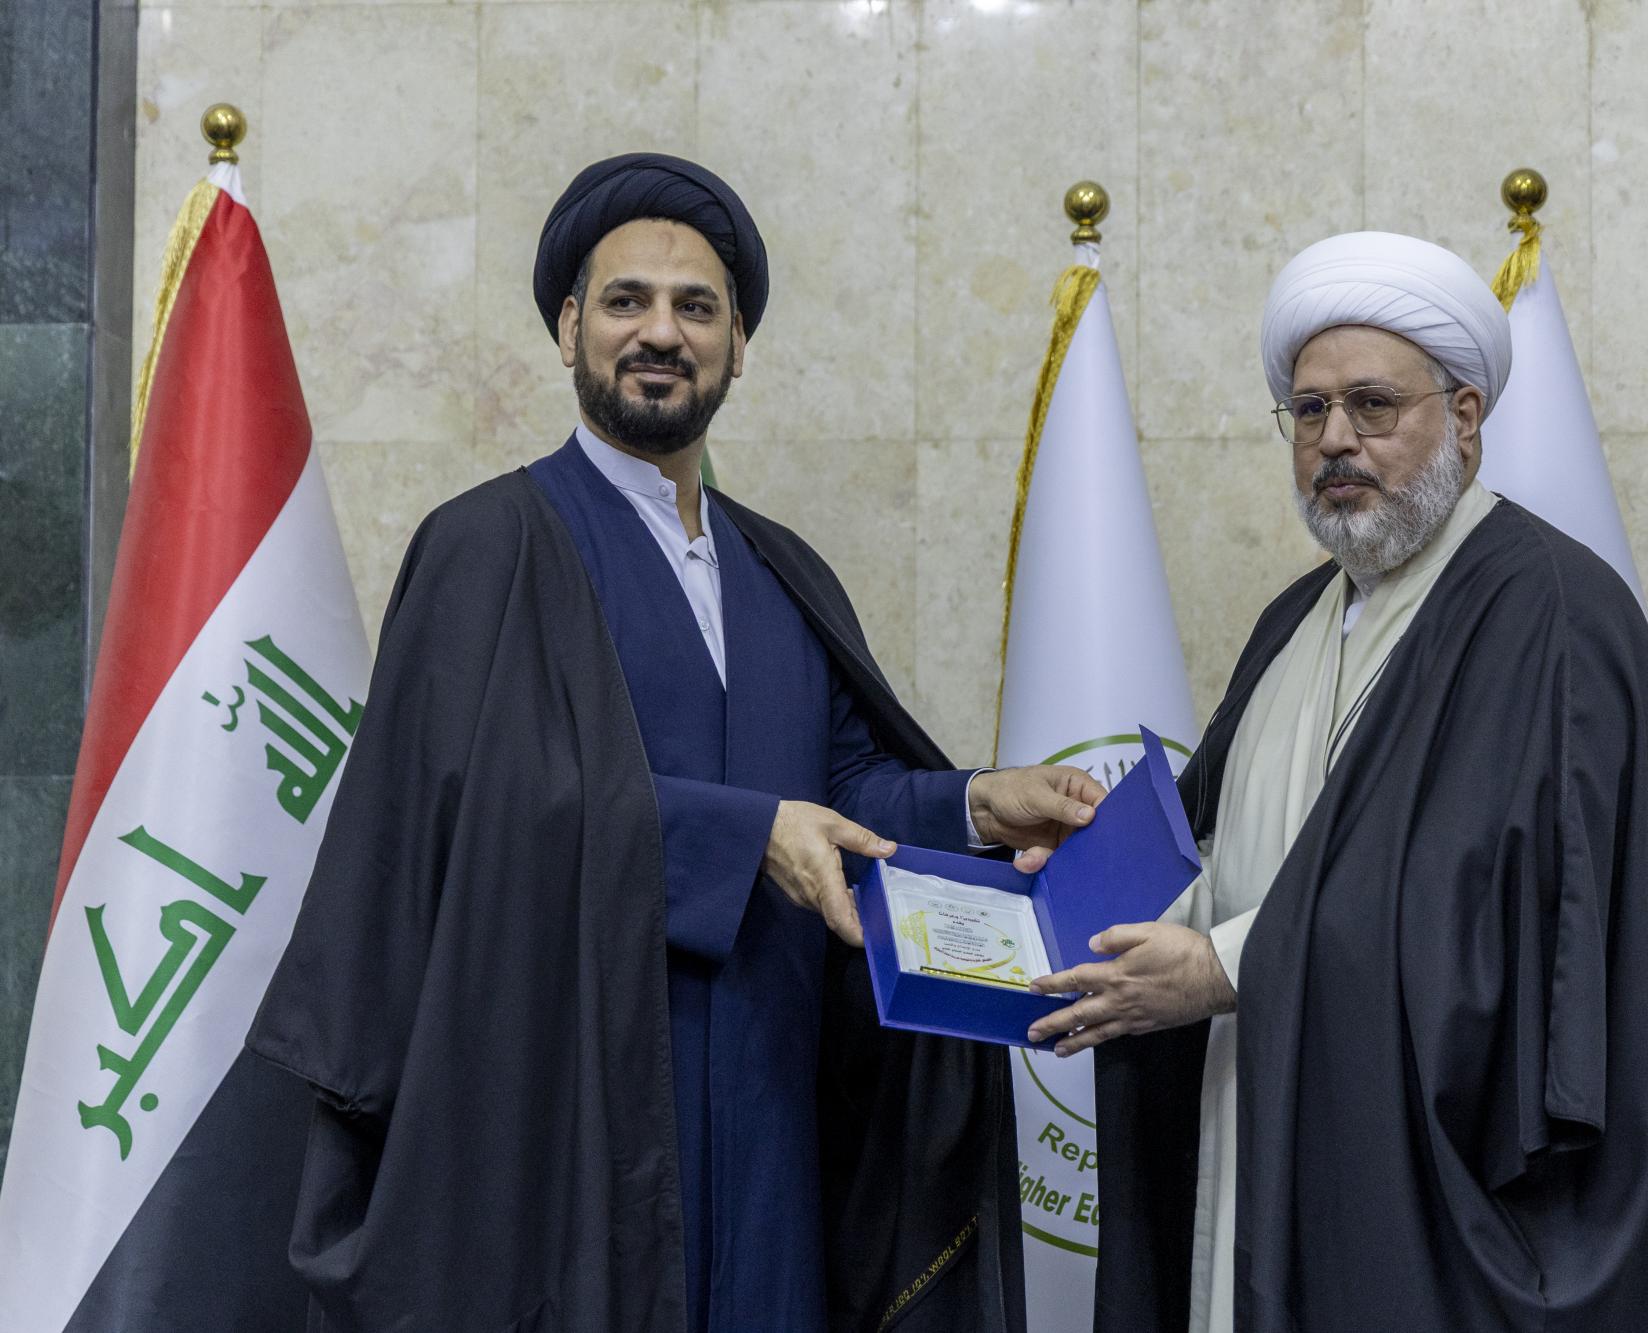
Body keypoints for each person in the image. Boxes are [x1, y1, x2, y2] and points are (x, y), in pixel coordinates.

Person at [247, 153, 1099, 1333]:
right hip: (569, 1124)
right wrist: (740, 838)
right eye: (625, 301)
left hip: (772, 1109)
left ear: (737, 344)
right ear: (567, 329)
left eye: (696, 307)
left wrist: (974, 804)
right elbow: (473, 819)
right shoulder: (489, 545)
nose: (660, 332)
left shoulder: (779, 568)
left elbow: (841, 791)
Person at [1027, 232, 1648, 1331]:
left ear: (1464, 417)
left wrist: (1225, 967)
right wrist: (1066, 885)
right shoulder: (1294, 621)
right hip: (1262, 1120)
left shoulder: (1548, 611)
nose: (1334, 440)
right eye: (1309, 411)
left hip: (1435, 1195)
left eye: (1372, 405)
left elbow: (1503, 914)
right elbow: (1207, 842)